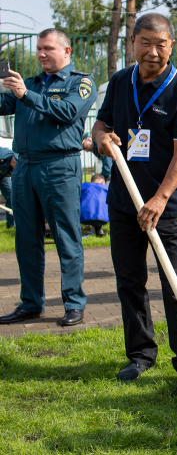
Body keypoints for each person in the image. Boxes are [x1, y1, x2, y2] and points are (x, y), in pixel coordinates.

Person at [91, 13, 177, 394]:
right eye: (145, 42)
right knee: (129, 281)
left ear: (172, 46)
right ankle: (140, 354)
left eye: (161, 44)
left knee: (176, 284)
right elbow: (101, 125)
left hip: (165, 206)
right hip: (123, 200)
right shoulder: (121, 82)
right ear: (133, 43)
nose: (152, 52)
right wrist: (103, 139)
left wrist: (159, 199)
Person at [0, 28, 95, 327]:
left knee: (66, 236)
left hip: (59, 167)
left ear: (66, 52)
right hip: (25, 167)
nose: (41, 53)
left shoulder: (81, 82)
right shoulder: (30, 83)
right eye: (39, 48)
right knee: (26, 239)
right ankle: (30, 303)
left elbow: (67, 112)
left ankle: (73, 304)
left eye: (48, 48)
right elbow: (5, 104)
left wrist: (25, 95)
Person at [0, 148, 16, 229]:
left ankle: (11, 224)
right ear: (13, 161)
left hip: (2, 175)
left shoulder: (13, 165)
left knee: (11, 194)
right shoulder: (2, 156)